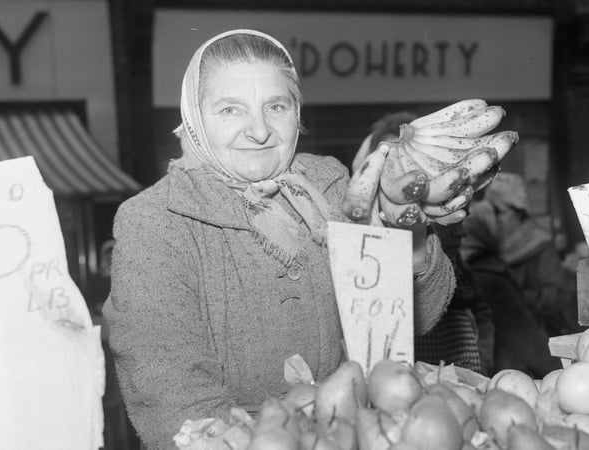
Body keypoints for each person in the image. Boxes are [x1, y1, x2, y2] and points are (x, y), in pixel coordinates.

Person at [103, 29, 471, 449]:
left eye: (276, 106)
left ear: (296, 111)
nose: (259, 131)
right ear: (194, 118)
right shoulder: (155, 220)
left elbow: (408, 322)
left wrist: (412, 237)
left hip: (352, 430)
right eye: (230, 110)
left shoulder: (330, 185)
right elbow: (166, 384)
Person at [354, 111, 495, 375]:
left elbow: (481, 310)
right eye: (388, 156)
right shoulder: (367, 246)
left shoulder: (443, 215)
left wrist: (485, 356)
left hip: (461, 371)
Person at [460, 173, 564, 377]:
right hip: (509, 360)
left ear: (516, 213)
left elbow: (557, 298)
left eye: (498, 211)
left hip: (540, 347)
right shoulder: (488, 251)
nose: (493, 217)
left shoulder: (539, 247)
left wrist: (518, 300)